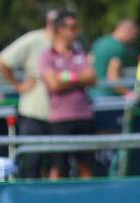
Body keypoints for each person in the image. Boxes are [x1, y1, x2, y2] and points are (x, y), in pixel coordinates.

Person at [0, 10, 58, 179]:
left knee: (58, 163)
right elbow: (2, 61)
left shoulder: (70, 42)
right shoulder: (33, 39)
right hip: (34, 112)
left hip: (61, 113)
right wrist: (18, 85)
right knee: (31, 160)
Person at [39, 9, 97, 179]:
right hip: (60, 119)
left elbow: (92, 78)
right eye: (72, 28)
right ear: (60, 30)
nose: (76, 31)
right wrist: (78, 78)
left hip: (84, 116)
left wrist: (65, 76)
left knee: (86, 165)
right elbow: (54, 84)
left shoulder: (79, 52)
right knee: (59, 167)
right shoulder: (46, 56)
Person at [90, 19, 138, 96]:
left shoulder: (99, 41)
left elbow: (89, 65)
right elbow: (113, 78)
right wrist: (129, 94)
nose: (132, 39)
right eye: (133, 35)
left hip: (92, 94)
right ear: (127, 31)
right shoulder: (118, 47)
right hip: (108, 97)